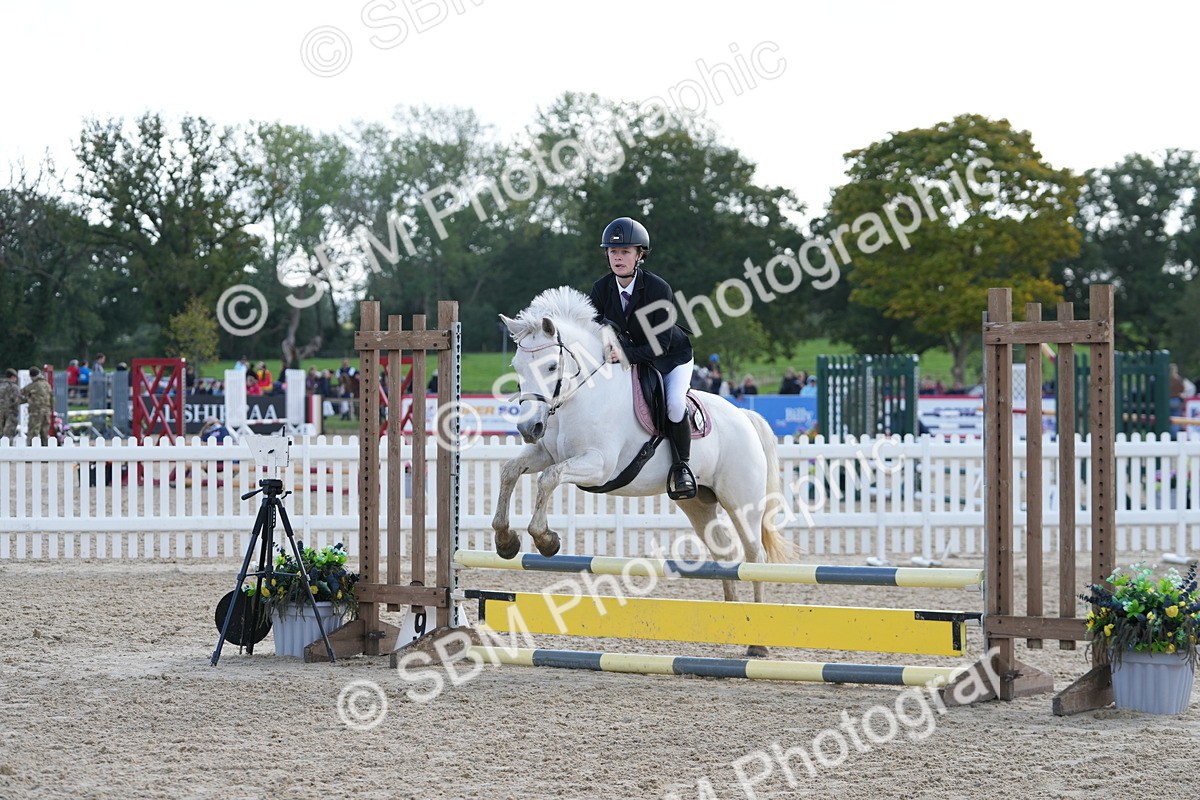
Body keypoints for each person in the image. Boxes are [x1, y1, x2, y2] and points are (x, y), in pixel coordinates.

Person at [588, 216, 697, 500]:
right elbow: (595, 332)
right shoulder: (600, 290)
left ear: (640, 255)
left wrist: (621, 355)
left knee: (674, 405)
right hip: (629, 358)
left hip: (670, 358)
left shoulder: (658, 289)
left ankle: (682, 467)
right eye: (613, 252)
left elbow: (659, 345)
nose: (618, 257)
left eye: (625, 251)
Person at [21, 366, 53, 446]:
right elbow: (52, 398)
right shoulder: (47, 385)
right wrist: (51, 410)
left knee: (33, 433)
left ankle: (30, 454)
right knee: (45, 434)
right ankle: (46, 454)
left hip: (36, 413)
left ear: (31, 376)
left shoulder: (32, 386)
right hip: (46, 413)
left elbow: (21, 393)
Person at [0, 368, 20, 439]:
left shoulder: (1, 385)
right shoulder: (14, 387)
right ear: (13, 377)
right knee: (8, 436)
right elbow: (17, 400)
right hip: (10, 413)